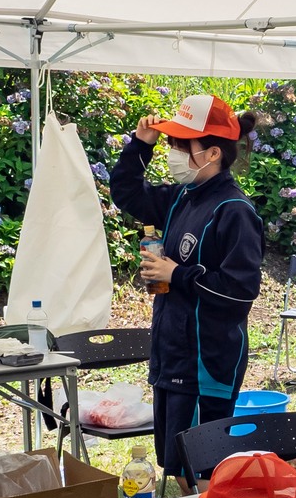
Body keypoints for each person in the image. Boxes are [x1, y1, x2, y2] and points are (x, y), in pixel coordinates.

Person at [111, 93, 267, 473]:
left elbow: (239, 291)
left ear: (212, 154)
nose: (173, 152)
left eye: (182, 145)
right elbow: (127, 193)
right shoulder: (182, 196)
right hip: (171, 357)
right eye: (171, 143)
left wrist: (176, 274)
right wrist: (139, 147)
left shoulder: (234, 211)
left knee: (200, 471)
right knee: (174, 464)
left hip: (205, 365)